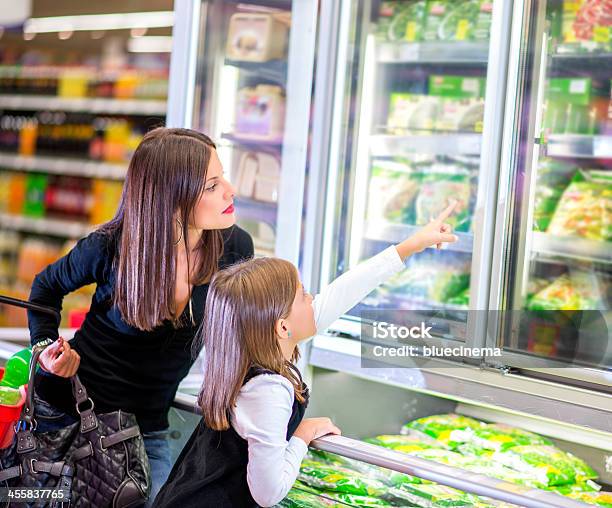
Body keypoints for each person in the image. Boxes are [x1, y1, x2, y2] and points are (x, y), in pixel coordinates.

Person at [153, 202, 459, 507]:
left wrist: (409, 247)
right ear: (283, 327)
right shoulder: (268, 390)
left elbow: (342, 292)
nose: (313, 298)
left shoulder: (246, 357)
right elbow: (268, 491)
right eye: (302, 295)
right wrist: (302, 435)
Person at [27, 127, 254, 506]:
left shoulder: (234, 247)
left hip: (149, 429)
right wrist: (47, 348)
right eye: (212, 185)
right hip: (76, 419)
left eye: (223, 177)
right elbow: (45, 287)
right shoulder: (111, 247)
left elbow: (241, 325)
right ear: (173, 197)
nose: (230, 191)